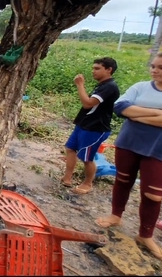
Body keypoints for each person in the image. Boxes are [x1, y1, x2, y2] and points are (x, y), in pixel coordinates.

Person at [95, 52, 162, 259]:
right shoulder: (140, 87)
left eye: (160, 67)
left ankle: (145, 234)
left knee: (154, 194)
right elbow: (121, 108)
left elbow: (129, 111)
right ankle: (116, 215)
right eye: (153, 66)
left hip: (157, 148)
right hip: (129, 143)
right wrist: (158, 115)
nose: (154, 70)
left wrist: (137, 113)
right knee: (123, 180)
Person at [61, 57, 120, 195]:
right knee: (70, 149)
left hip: (95, 128)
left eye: (97, 68)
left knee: (87, 158)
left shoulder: (109, 87)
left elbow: (88, 103)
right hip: (84, 124)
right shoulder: (101, 85)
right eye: (93, 68)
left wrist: (80, 85)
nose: (93, 71)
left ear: (109, 70)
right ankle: (67, 178)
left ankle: (88, 183)